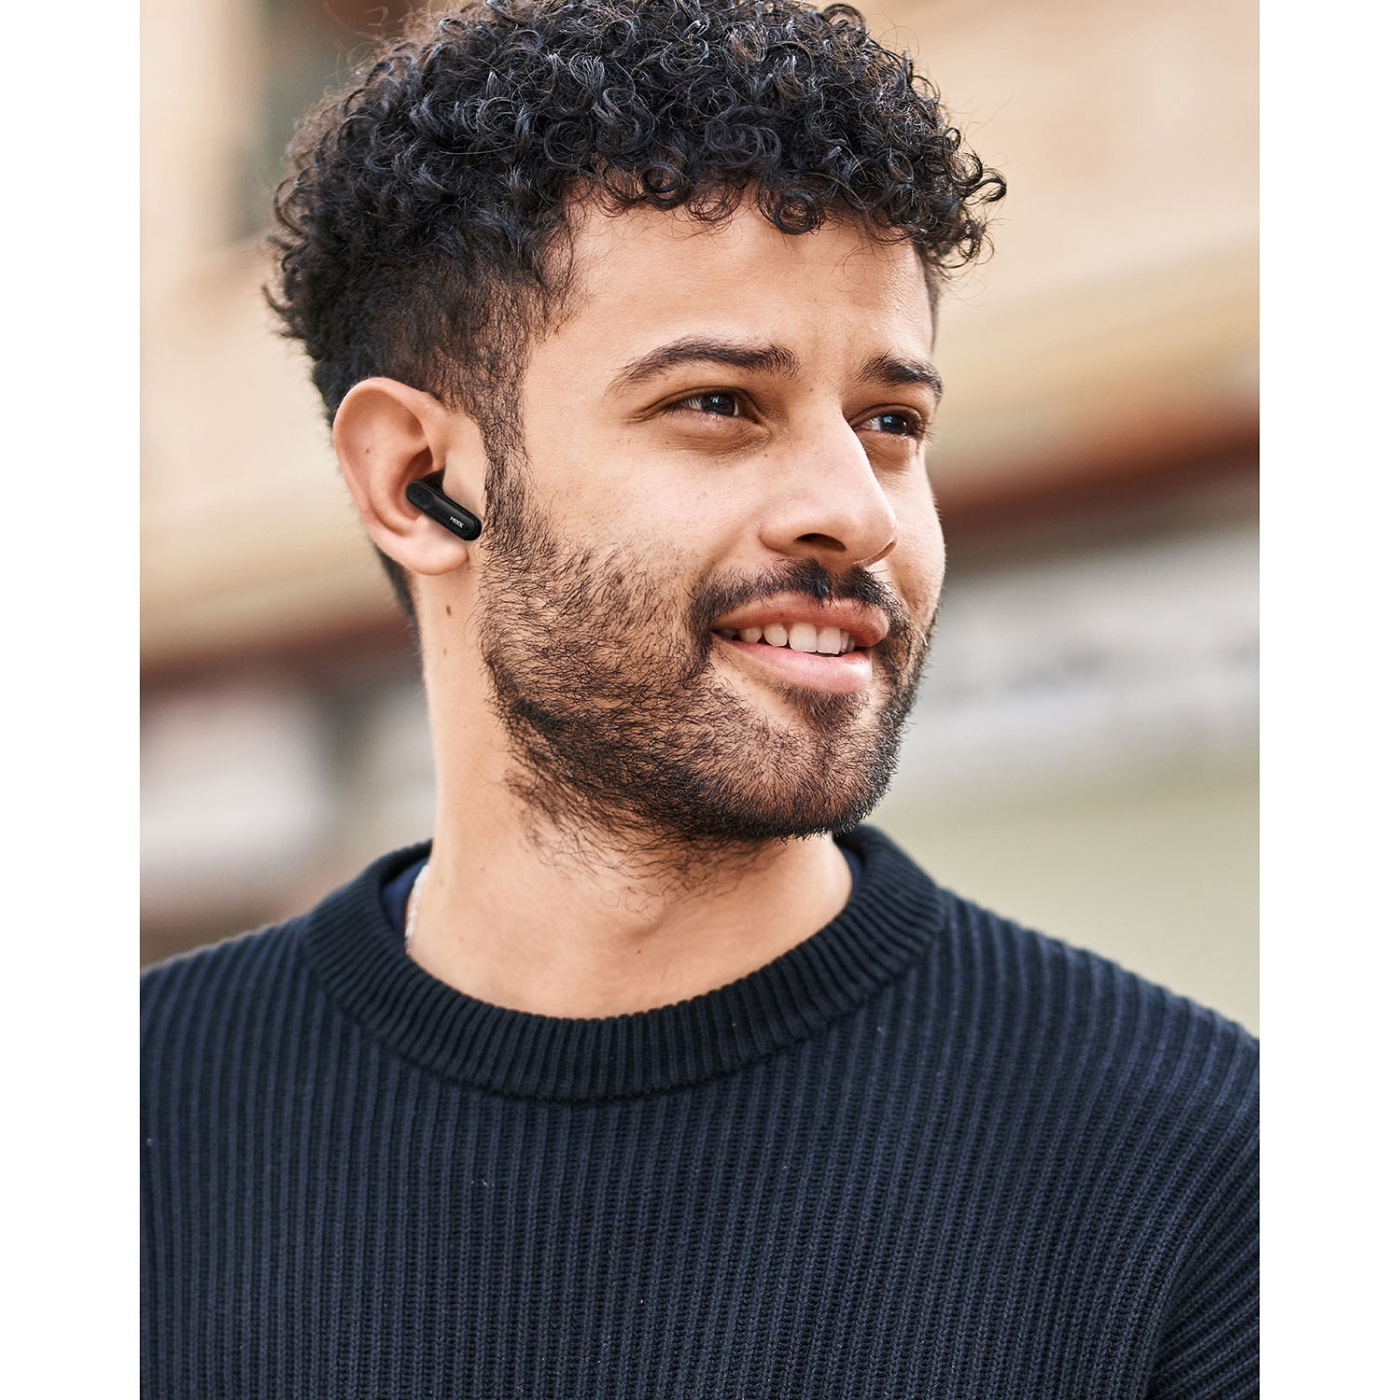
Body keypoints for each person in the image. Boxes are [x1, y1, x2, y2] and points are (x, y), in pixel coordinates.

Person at [140, 1, 1258, 1394]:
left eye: (892, 423)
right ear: (420, 480)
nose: (861, 512)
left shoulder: (1213, 1188)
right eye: (721, 402)